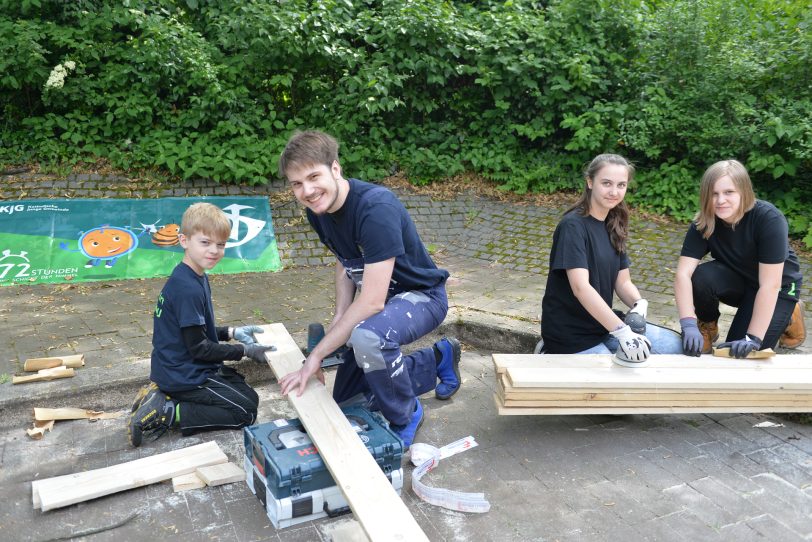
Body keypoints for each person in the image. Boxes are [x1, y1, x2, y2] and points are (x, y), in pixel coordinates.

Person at [276, 130, 461, 449]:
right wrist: (338, 317)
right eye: (296, 183)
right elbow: (345, 262)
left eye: (313, 176)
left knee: (368, 338)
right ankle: (438, 358)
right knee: (352, 402)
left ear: (335, 169)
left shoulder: (375, 208)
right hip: (380, 304)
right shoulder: (317, 212)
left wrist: (316, 356)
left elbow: (373, 301)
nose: (307, 190)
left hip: (421, 297)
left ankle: (406, 414)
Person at [128, 203, 275, 447]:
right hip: (184, 374)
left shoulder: (192, 275)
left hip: (181, 366)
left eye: (221, 244)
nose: (215, 251)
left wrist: (231, 332)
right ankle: (168, 410)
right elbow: (199, 348)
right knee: (246, 411)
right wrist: (244, 351)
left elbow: (194, 331)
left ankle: (163, 396)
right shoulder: (187, 288)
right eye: (205, 243)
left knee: (249, 395)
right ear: (184, 241)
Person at [540, 154, 683, 365]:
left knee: (675, 347)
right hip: (572, 335)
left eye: (621, 185)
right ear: (590, 182)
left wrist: (639, 303)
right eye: (606, 183)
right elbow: (581, 288)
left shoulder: (613, 222)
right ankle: (547, 351)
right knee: (622, 375)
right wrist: (622, 332)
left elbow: (622, 281)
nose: (614, 192)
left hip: (604, 326)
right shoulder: (573, 226)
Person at [674, 159, 805, 358]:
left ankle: (789, 314)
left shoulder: (768, 219)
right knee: (700, 277)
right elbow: (683, 274)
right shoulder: (705, 222)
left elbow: (770, 285)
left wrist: (753, 337)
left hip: (778, 288)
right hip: (741, 281)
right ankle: (707, 326)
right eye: (714, 193)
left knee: (738, 355)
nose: (720, 201)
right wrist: (688, 322)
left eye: (729, 192)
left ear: (744, 191)